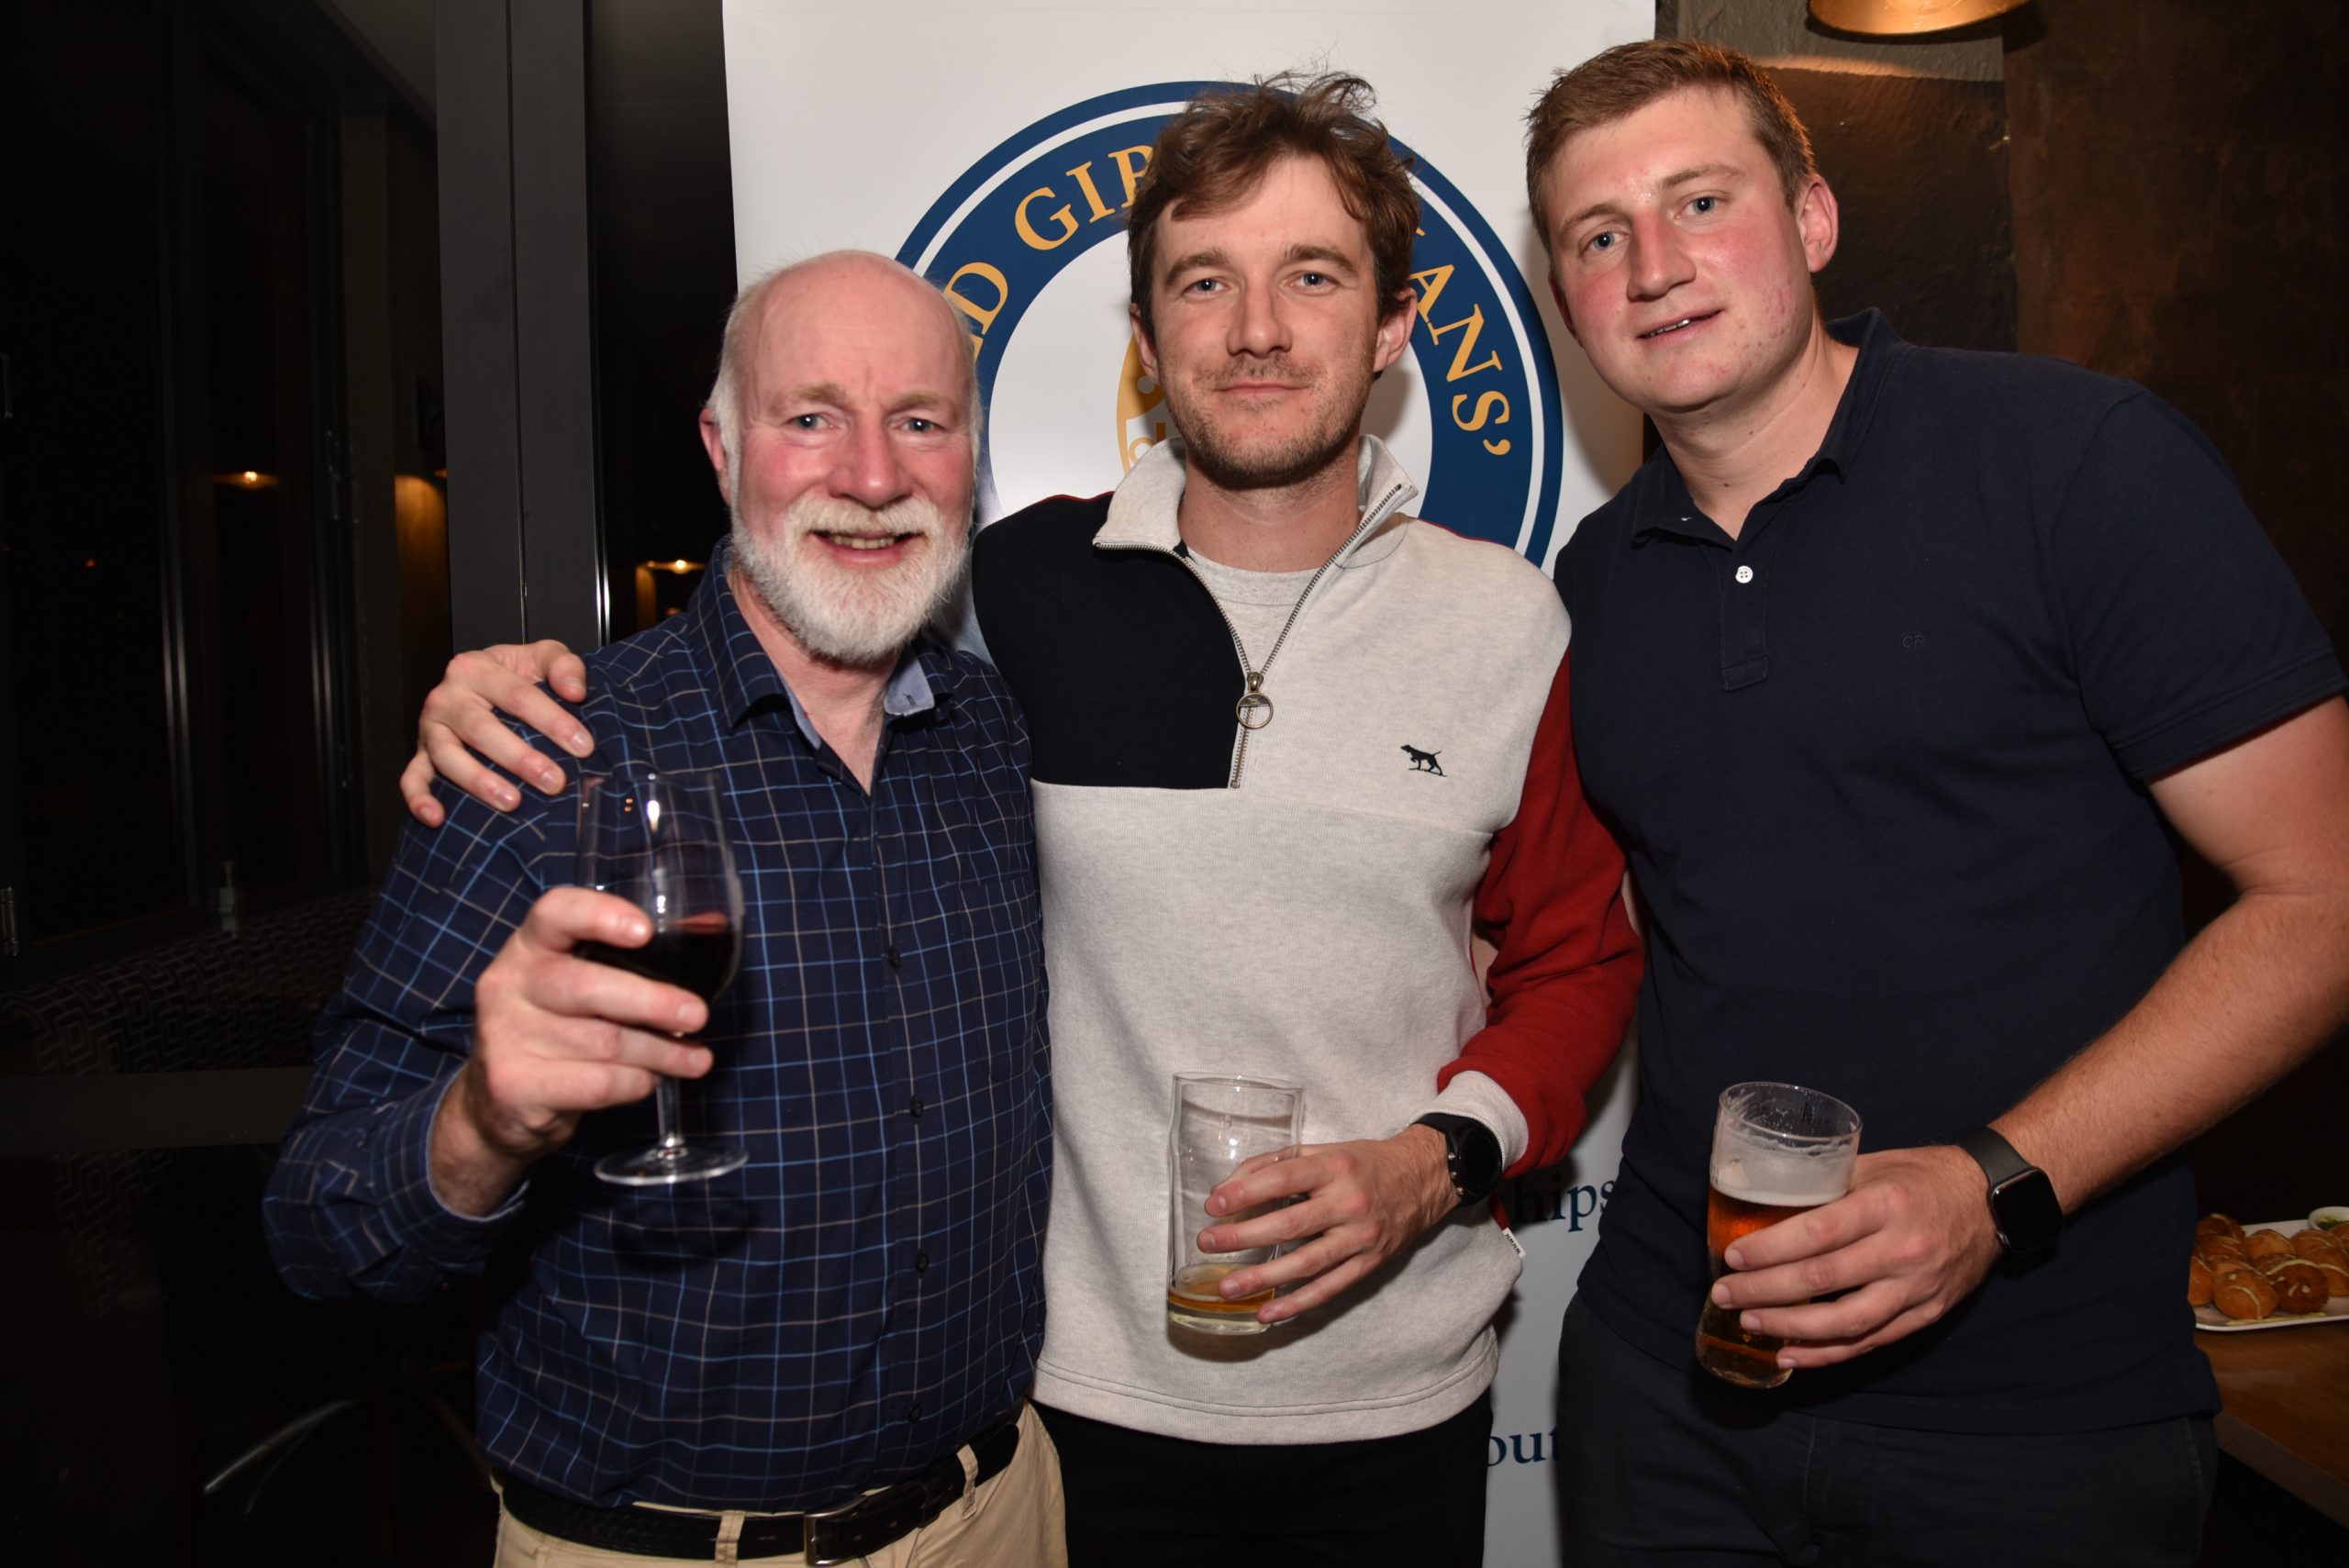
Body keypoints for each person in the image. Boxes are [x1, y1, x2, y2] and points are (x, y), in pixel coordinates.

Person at [399, 75, 1643, 1568]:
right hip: (1070, 1411)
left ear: (1391, 327)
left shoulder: (1508, 622)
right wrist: (525, 683)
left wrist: (1437, 1162)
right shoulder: (1004, 592)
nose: (1256, 328)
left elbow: (1577, 959)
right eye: (1205, 280)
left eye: (1312, 276)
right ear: (1148, 341)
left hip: (1401, 1399)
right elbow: (799, 614)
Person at [1523, 39, 2349, 1566]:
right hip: (1668, 1391)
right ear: (1566, 299)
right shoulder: (1593, 583)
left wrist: (1997, 1183)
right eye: (1597, 234)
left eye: (1701, 201)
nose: (1654, 265)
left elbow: (2325, 898)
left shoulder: (2076, 463)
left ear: (1813, 217)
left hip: (2038, 1428)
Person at [264, 251, 1065, 1568]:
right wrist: (482, 1123)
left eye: (920, 420)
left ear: (970, 457)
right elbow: (318, 1229)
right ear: (722, 446)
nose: (873, 475)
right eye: (811, 417)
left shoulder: (1000, 737)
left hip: (998, 1516)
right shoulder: (542, 760)